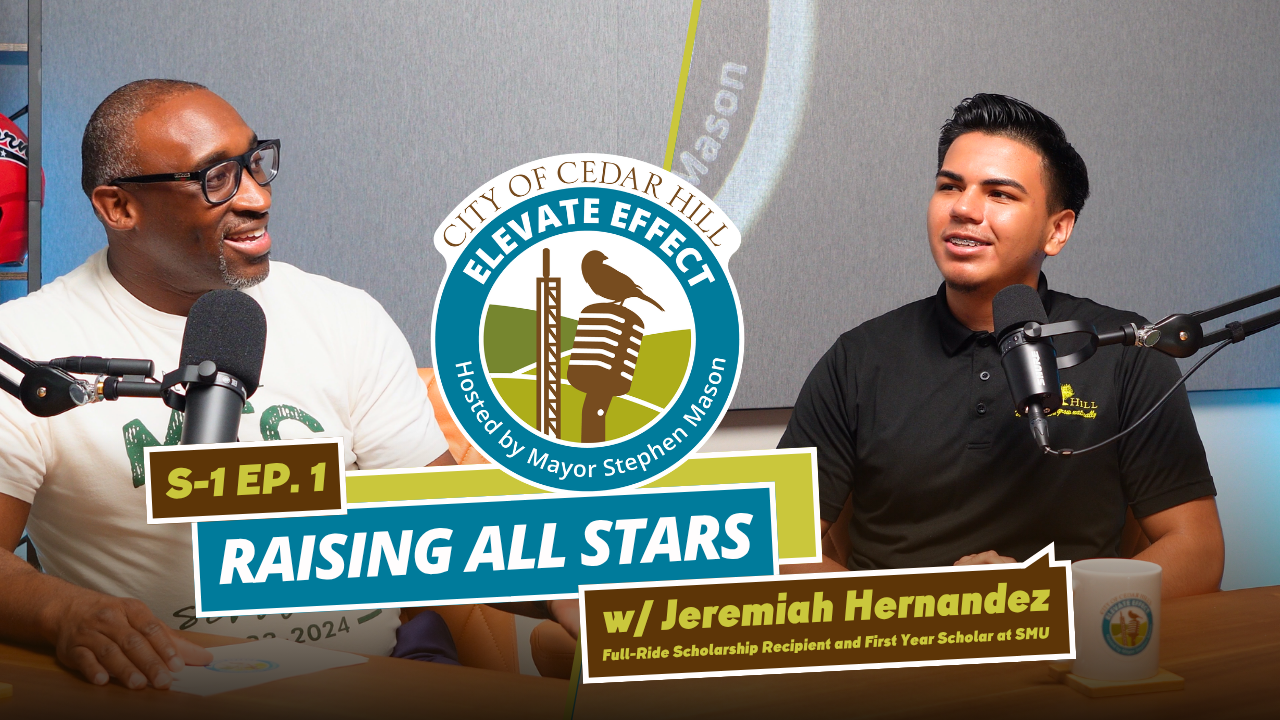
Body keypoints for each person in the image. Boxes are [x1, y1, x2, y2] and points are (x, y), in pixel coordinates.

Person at [0, 80, 575, 691]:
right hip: (169, 685)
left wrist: (568, 615)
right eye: (215, 178)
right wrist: (65, 614)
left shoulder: (342, 316)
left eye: (254, 163)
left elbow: (445, 534)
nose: (256, 197)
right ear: (119, 207)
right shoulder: (30, 351)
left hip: (376, 676)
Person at [779, 94, 1224, 598]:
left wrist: (1031, 599)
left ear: (1057, 230)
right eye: (950, 186)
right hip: (897, 647)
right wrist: (929, 612)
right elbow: (784, 549)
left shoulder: (1125, 348)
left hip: (1068, 652)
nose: (964, 209)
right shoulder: (858, 359)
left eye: (1000, 194)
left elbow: (1197, 550)